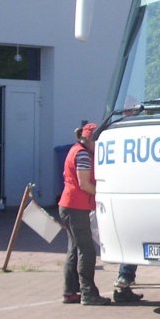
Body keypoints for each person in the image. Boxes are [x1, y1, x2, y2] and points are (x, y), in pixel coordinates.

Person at [58, 123, 109, 306]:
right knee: (86, 251)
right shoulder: (82, 154)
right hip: (75, 207)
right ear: (90, 139)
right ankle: (88, 292)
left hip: (69, 206)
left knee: (74, 249)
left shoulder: (77, 150)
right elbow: (84, 184)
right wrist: (103, 193)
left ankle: (70, 292)